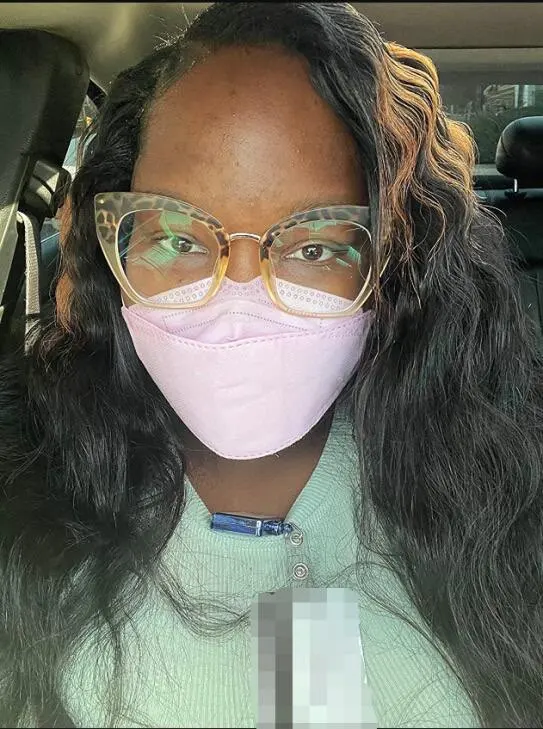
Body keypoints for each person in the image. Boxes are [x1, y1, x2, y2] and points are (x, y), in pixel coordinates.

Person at [1, 2, 542, 727]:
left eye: (313, 246)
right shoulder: (29, 486)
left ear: (393, 264)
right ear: (113, 246)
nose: (238, 302)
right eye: (178, 237)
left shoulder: (501, 494)